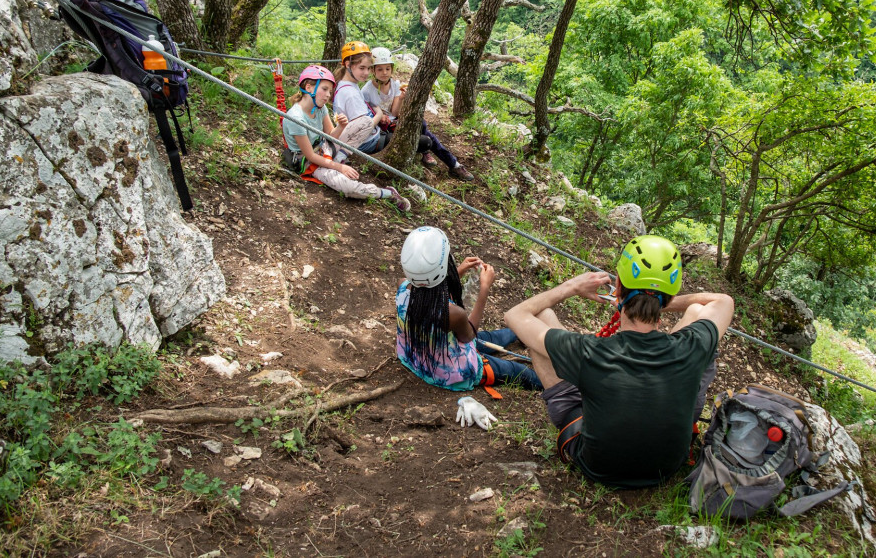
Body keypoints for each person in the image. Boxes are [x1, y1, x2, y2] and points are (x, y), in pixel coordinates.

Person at [504, 235, 734, 488]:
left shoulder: (589, 351)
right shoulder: (690, 346)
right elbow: (722, 301)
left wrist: (571, 287)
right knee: (696, 312)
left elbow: (515, 314)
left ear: (619, 286)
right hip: (665, 468)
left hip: (598, 465)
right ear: (669, 295)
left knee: (542, 314)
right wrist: (655, 301)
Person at [396, 226, 543, 392]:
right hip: (448, 373)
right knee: (520, 371)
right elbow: (469, 335)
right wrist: (484, 287)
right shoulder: (452, 314)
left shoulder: (402, 285)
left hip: (416, 357)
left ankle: (520, 331)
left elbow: (428, 291)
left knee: (492, 336)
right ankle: (557, 386)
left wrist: (458, 272)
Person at [282, 65, 410, 212]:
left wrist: (341, 127)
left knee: (366, 122)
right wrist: (340, 167)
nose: (328, 95)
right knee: (348, 188)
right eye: (324, 89)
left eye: (330, 91)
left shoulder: (320, 108)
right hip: (310, 161)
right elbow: (310, 155)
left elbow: (330, 136)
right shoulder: (296, 118)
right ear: (309, 87)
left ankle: (340, 156)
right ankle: (387, 193)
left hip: (324, 148)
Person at [362, 47, 474, 181]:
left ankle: (450, 162)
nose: (384, 73)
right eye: (379, 69)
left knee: (422, 124)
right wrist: (379, 116)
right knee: (428, 139)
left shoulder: (396, 85)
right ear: (373, 70)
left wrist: (401, 98)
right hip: (384, 128)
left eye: (387, 68)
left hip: (396, 120)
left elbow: (395, 112)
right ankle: (448, 161)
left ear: (392, 68)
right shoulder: (367, 90)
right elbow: (366, 112)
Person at [332, 41, 388, 156]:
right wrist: (379, 114)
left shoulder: (346, 84)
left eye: (368, 68)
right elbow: (364, 129)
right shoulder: (350, 94)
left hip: (366, 138)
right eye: (362, 68)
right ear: (348, 65)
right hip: (367, 142)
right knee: (424, 142)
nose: (366, 73)